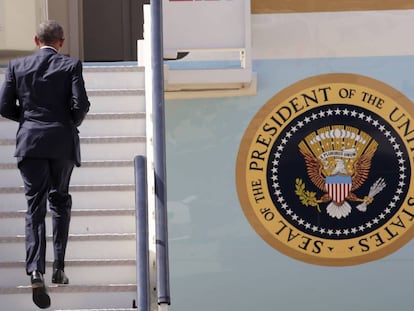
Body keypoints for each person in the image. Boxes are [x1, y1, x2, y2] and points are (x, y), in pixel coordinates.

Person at [0, 20, 90, 309]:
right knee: (60, 200)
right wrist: (67, 124)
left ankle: (36, 270)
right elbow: (81, 105)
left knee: (34, 206)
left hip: (30, 143)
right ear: (61, 42)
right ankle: (59, 267)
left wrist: (29, 121)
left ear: (36, 40)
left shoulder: (16, 66)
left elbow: (3, 106)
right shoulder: (71, 65)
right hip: (62, 143)